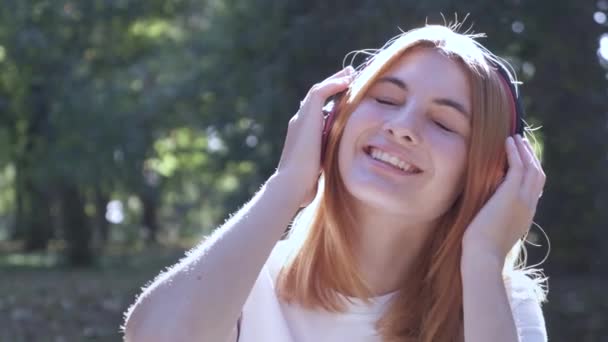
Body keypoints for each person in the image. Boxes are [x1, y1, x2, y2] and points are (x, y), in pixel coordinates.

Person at [123, 23, 548, 342]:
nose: (402, 127)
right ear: (333, 124)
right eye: (384, 99)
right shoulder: (244, 277)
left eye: (442, 122)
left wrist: (483, 256)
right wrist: (287, 184)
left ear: (492, 176)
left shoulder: (498, 298)